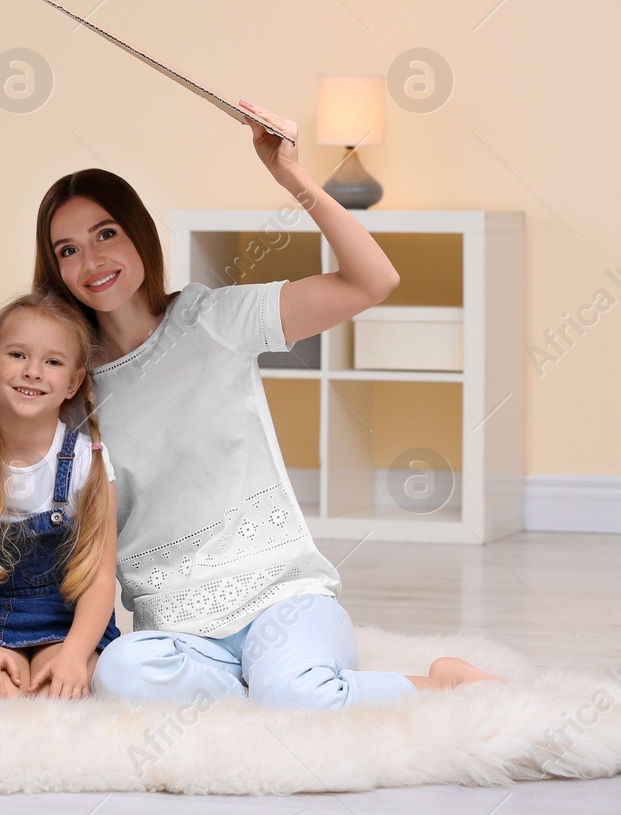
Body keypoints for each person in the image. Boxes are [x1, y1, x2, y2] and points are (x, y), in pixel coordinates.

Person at [35, 100, 496, 709]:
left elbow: (372, 281)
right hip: (178, 631)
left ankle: (435, 688)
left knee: (295, 697)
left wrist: (293, 178)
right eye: (67, 250)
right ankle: (279, 692)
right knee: (120, 674)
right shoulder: (69, 386)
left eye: (105, 235)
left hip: (283, 598)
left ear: (137, 234)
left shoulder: (213, 319)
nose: (91, 262)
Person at [0, 292, 120, 701]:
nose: (33, 371)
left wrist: (74, 655)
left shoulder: (90, 461)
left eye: (52, 362)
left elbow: (100, 576)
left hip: (71, 623)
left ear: (73, 382)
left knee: (62, 704)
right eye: (18, 355)